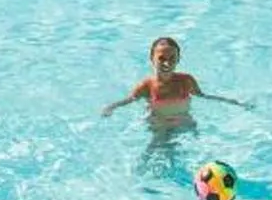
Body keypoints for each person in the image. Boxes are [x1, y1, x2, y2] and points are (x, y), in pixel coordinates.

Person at [100, 34, 249, 129]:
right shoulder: (147, 86)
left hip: (184, 120)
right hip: (159, 123)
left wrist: (234, 102)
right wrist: (110, 107)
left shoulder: (186, 81)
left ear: (178, 59)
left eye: (172, 59)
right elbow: (130, 100)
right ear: (152, 59)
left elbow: (203, 96)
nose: (167, 63)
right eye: (161, 59)